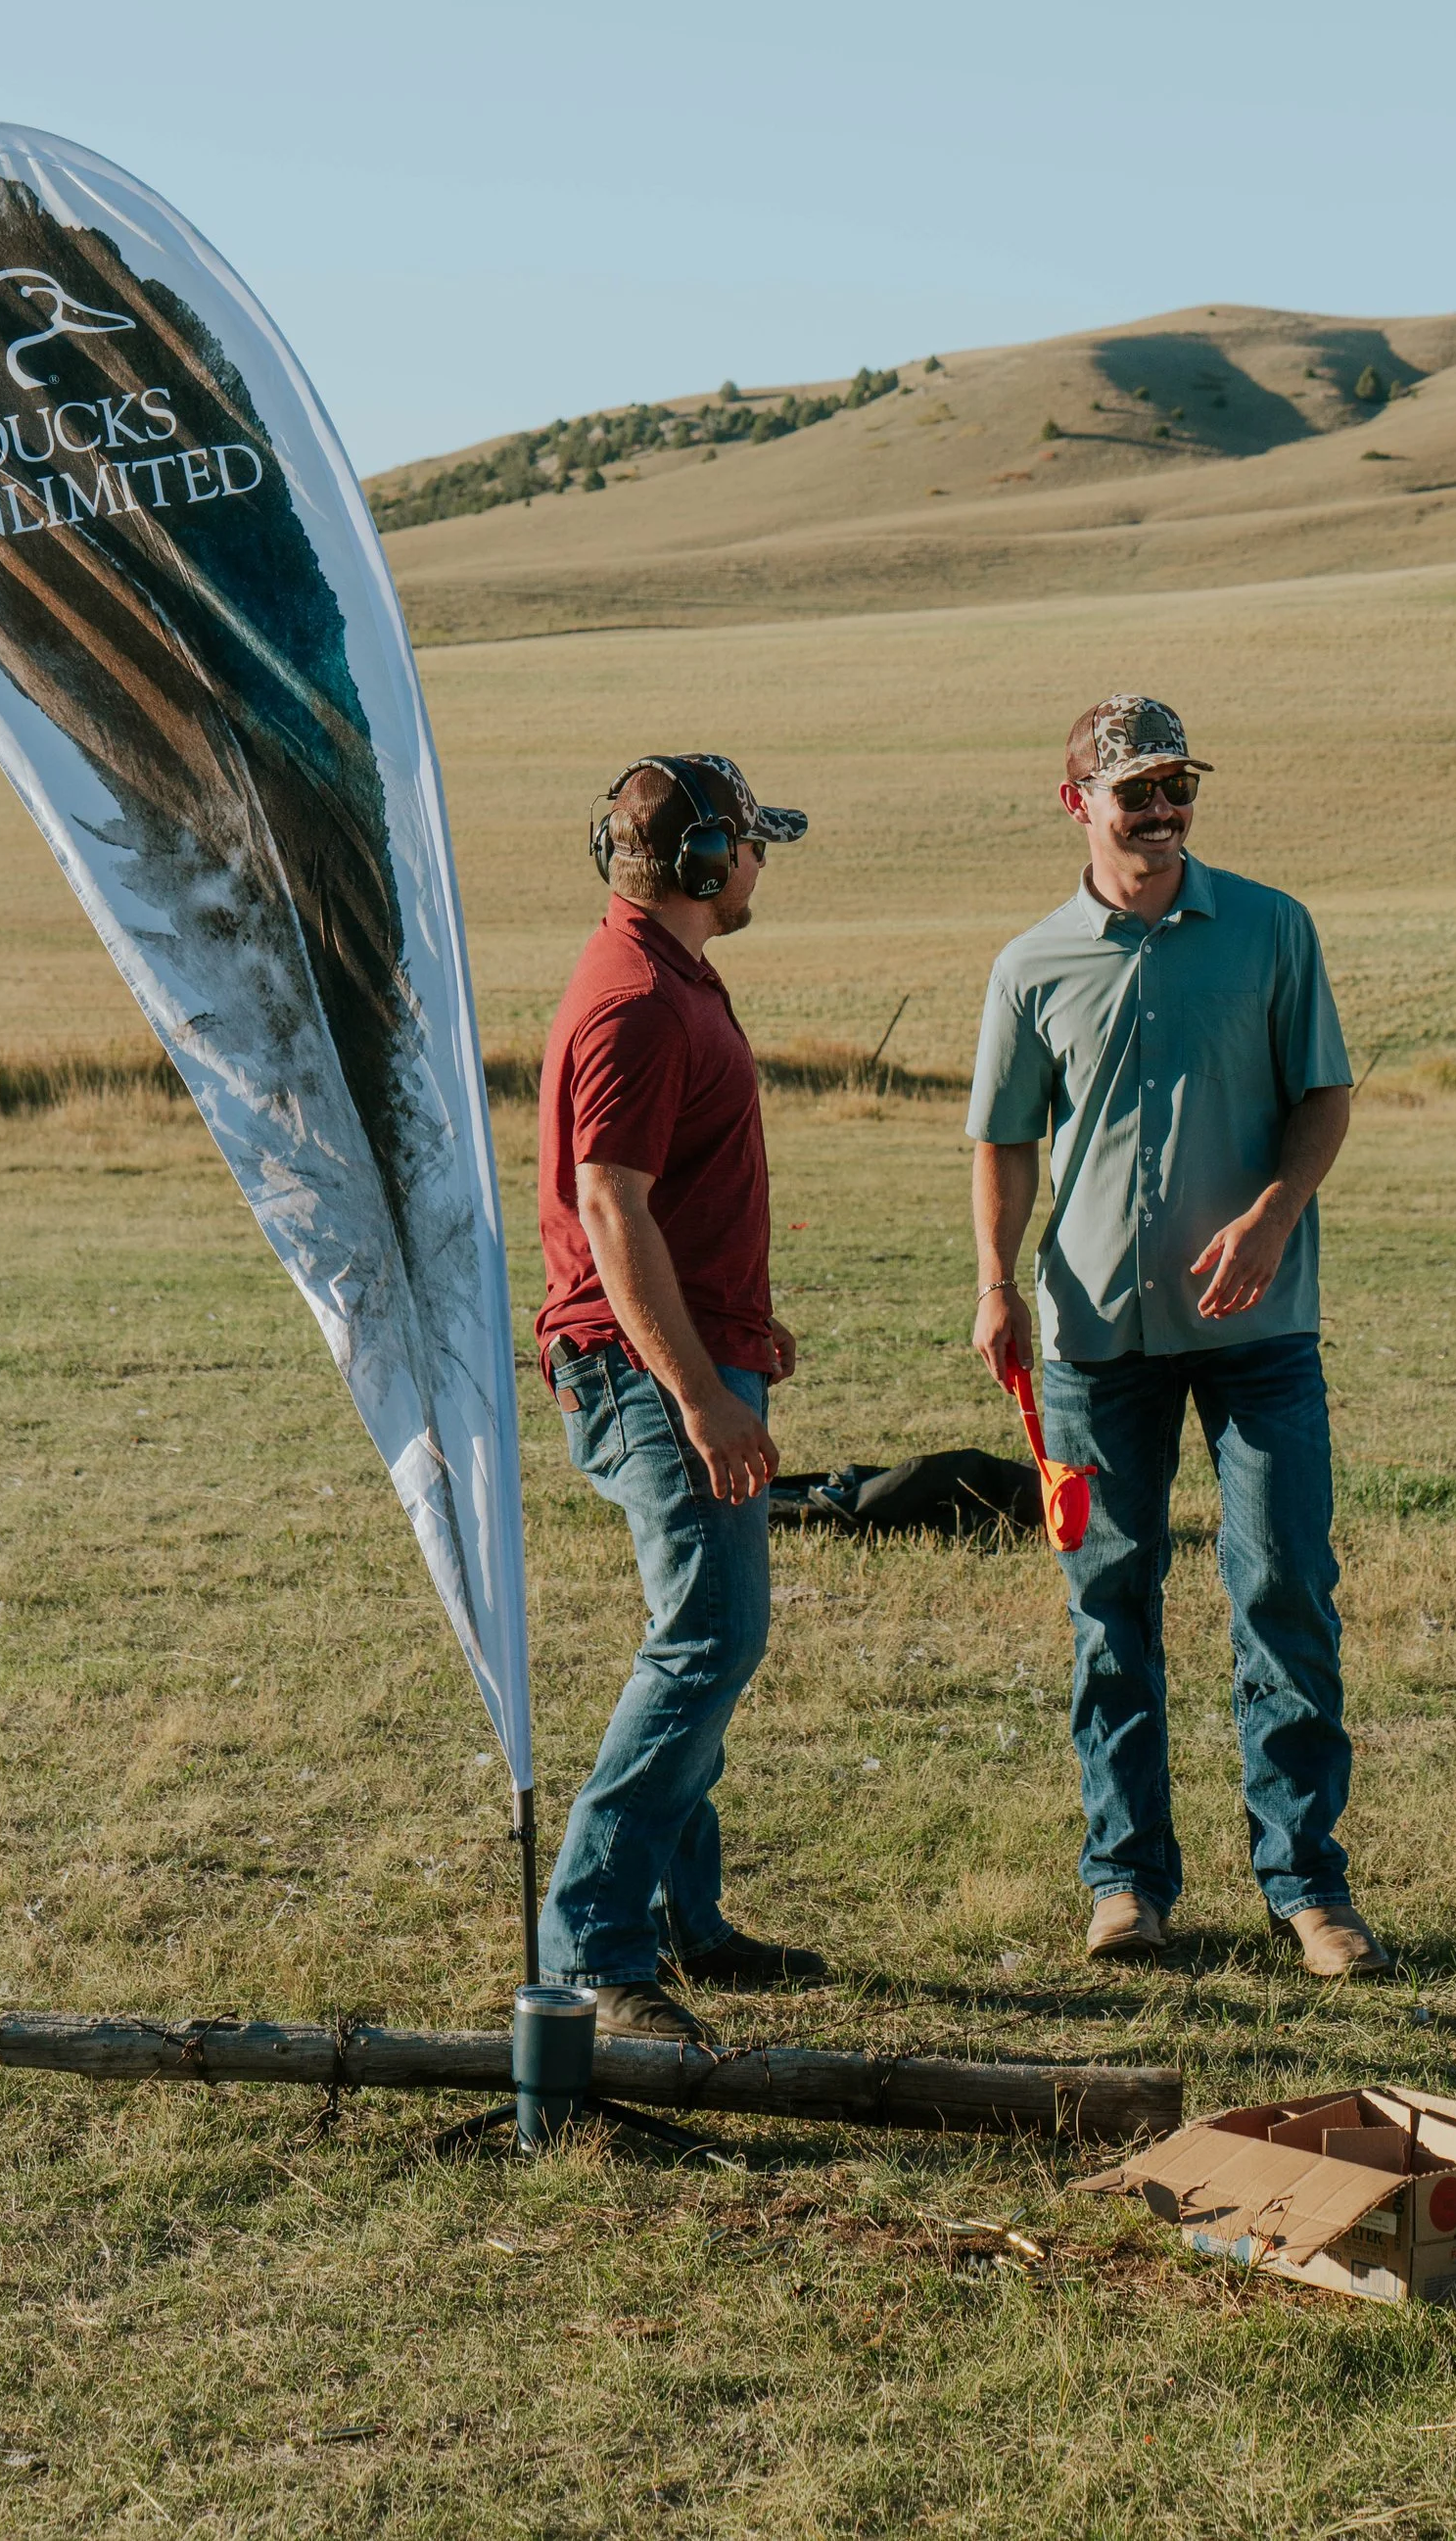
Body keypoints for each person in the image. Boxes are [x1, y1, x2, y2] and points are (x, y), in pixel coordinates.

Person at [965, 694, 1385, 1978]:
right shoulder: (1032, 965)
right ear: (1076, 803)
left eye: (1177, 786)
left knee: (1282, 1593)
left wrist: (1272, 1214)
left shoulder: (1271, 929)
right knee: (1111, 1605)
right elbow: (1004, 1141)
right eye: (1133, 789)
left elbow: (1325, 1096)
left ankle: (1309, 1891)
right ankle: (1128, 1888)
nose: (1161, 809)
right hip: (1095, 1338)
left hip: (1261, 1335)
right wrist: (994, 1285)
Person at [535, 750, 830, 2042]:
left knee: (696, 1632)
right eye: (755, 842)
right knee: (710, 1638)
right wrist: (705, 1393)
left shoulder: (669, 978)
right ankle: (599, 1948)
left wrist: (745, 1333)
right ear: (710, 862)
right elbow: (610, 1206)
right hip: (652, 1371)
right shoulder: (637, 1001)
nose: (764, 861)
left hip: (689, 1351)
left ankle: (679, 1924)